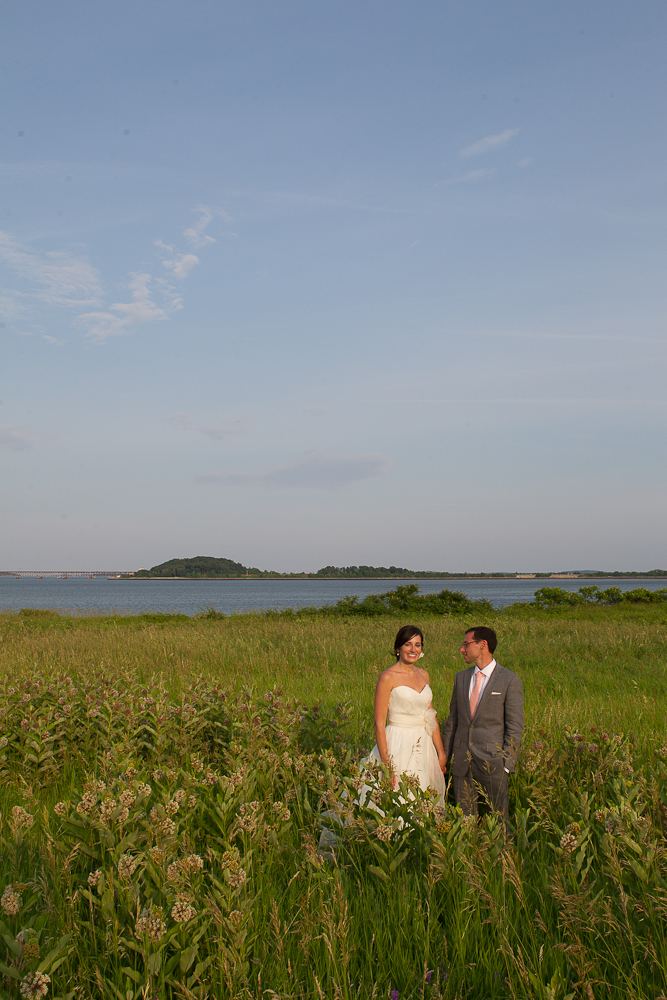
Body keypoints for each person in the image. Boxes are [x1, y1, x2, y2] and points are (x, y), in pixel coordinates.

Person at [441, 626, 523, 822]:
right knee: (465, 820)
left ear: (482, 645)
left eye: (466, 644)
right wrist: (444, 756)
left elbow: (514, 726)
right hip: (462, 762)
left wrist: (506, 764)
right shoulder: (461, 678)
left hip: (493, 764)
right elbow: (453, 720)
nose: (462, 649)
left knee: (499, 819)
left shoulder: (510, 680)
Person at [367, 625, 446, 799]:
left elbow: (431, 717)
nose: (413, 649)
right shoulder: (387, 676)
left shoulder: (424, 675)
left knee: (423, 794)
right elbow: (379, 724)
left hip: (424, 745)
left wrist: (440, 753)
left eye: (417, 645)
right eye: (408, 644)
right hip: (398, 743)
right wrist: (386, 765)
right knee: (399, 796)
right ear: (398, 648)